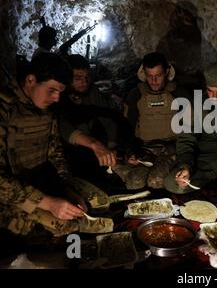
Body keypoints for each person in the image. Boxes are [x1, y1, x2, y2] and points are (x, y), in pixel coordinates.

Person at [0, 53, 110, 237]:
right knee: (68, 225)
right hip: (10, 195)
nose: (57, 98)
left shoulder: (46, 109)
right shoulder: (4, 110)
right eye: (52, 90)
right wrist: (49, 203)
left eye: (60, 92)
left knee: (98, 202)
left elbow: (55, 154)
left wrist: (67, 189)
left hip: (40, 179)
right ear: (30, 80)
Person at [164, 63, 217, 194]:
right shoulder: (196, 105)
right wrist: (186, 166)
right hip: (203, 162)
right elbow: (186, 139)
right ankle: (207, 180)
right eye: (210, 90)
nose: (214, 97)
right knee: (172, 184)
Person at [58, 54, 131, 192]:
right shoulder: (59, 96)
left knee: (116, 184)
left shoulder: (92, 91)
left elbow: (109, 118)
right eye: (78, 78)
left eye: (87, 78)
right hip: (69, 151)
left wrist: (111, 147)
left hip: (94, 148)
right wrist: (95, 145)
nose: (84, 82)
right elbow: (63, 126)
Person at [113, 52, 178, 190]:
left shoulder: (179, 93)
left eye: (158, 76)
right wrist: (130, 152)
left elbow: (191, 129)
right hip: (144, 149)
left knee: (156, 181)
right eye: (150, 76)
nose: (154, 81)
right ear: (144, 74)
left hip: (171, 149)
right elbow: (127, 127)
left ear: (166, 72)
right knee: (134, 183)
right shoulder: (135, 95)